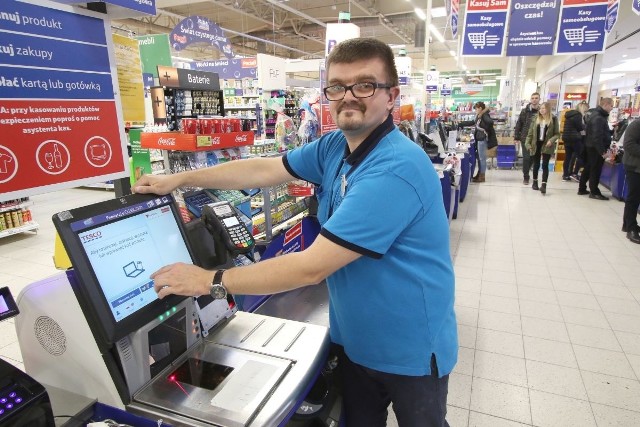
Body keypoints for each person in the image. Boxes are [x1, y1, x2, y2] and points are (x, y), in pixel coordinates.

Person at [133, 38, 457, 427]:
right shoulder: (338, 145)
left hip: (410, 350)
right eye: (337, 87)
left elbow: (310, 268)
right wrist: (180, 178)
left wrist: (209, 281)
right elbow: (264, 170)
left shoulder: (395, 168)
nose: (349, 96)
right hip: (356, 340)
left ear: (391, 97)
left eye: (366, 85)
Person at [578, 97, 614, 200]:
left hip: (591, 146)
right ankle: (594, 191)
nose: (612, 108)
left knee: (589, 167)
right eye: (611, 106)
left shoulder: (596, 115)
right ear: (606, 104)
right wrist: (602, 151)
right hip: (595, 148)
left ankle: (582, 188)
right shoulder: (599, 117)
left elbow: (599, 133)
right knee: (595, 169)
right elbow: (597, 137)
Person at [525, 102, 560, 195]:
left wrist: (551, 141)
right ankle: (535, 182)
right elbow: (530, 134)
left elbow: (557, 134)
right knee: (536, 164)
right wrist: (527, 144)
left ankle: (544, 185)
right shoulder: (535, 119)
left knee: (545, 164)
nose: (541, 110)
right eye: (540, 108)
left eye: (544, 108)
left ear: (548, 109)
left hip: (547, 144)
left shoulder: (553, 119)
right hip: (536, 144)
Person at [459, 101, 498, 183]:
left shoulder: (484, 115)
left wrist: (483, 115)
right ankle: (479, 174)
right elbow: (473, 122)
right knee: (479, 158)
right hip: (479, 138)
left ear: (480, 108)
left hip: (482, 139)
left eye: (476, 109)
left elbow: (490, 122)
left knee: (482, 158)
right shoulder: (479, 116)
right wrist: (461, 123)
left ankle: (482, 176)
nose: (475, 110)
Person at [514, 92, 541, 185]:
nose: (534, 100)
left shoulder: (542, 111)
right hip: (525, 137)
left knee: (533, 157)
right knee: (526, 158)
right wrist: (516, 136)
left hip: (537, 138)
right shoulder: (525, 111)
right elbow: (519, 123)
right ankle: (526, 176)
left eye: (536, 98)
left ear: (539, 99)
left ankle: (527, 170)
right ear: (530, 99)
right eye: (533, 98)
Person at [622, 119, 640, 244]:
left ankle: (627, 223)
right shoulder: (636, 125)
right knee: (634, 197)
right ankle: (631, 228)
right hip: (634, 166)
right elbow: (628, 144)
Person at [561, 102, 589, 181]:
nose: (586, 112)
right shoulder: (578, 116)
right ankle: (574, 173)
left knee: (568, 157)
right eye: (586, 110)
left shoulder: (569, 115)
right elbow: (580, 128)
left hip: (566, 139)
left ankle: (565, 174)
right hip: (575, 139)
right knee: (580, 156)